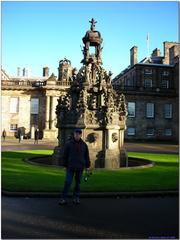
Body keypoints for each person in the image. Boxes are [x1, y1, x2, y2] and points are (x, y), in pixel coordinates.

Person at [59, 129, 90, 205]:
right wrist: (64, 165)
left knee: (78, 184)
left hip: (80, 167)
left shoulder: (84, 145)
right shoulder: (69, 144)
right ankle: (63, 198)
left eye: (79, 134)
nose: (77, 135)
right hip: (70, 166)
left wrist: (87, 166)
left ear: (81, 135)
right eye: (76, 134)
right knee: (67, 182)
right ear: (74, 134)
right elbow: (65, 155)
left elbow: (86, 156)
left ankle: (76, 198)